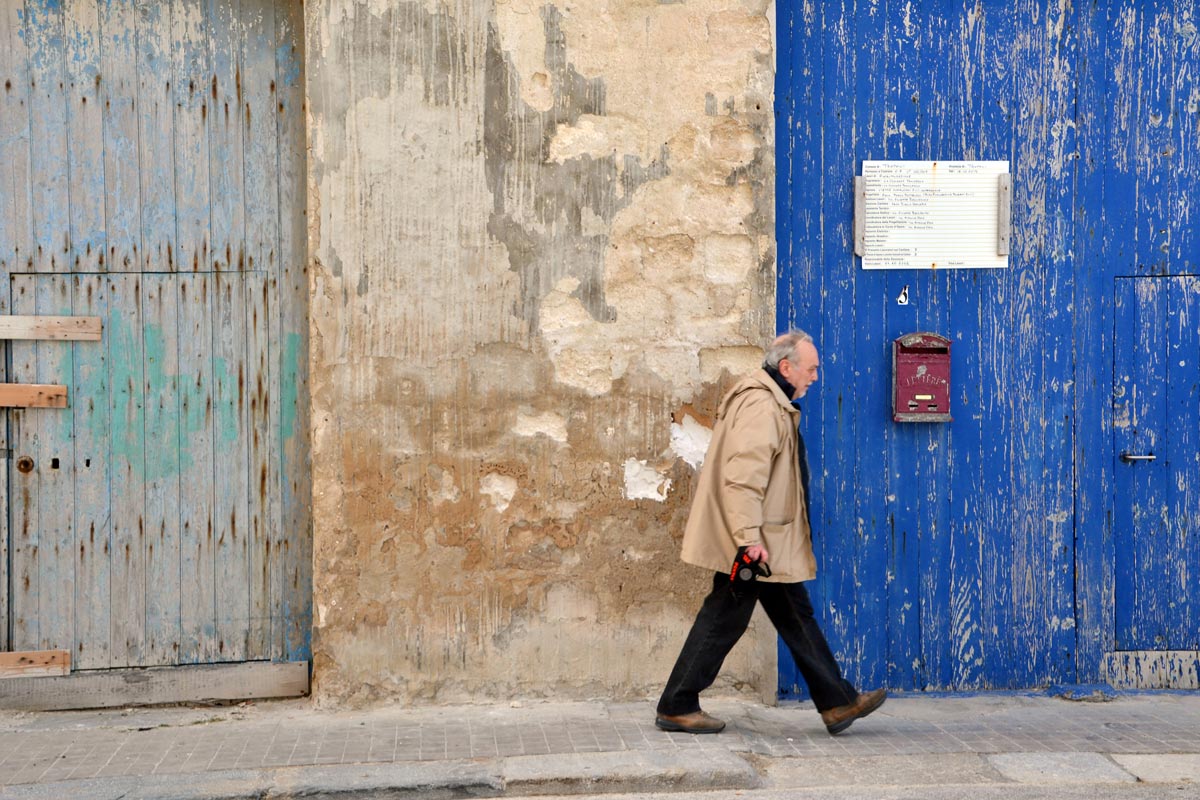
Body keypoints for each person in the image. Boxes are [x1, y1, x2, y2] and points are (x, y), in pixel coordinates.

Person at [655, 329, 886, 735]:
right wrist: (748, 540)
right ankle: (677, 704)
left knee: (792, 615)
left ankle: (837, 702)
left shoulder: (771, 401)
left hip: (764, 540)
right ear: (786, 367)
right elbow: (743, 479)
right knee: (728, 616)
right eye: (811, 369)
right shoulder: (763, 406)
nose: (815, 376)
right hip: (755, 543)